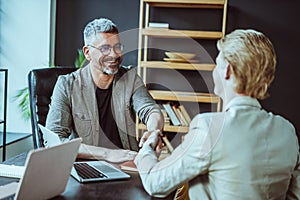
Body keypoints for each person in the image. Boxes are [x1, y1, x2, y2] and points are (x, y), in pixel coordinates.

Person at [134, 29, 300, 199]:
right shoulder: (287, 131)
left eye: (217, 64)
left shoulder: (210, 128)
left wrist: (146, 149)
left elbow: (155, 183)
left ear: (227, 70)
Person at [45, 18, 164, 163]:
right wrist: (107, 154)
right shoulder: (66, 85)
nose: (114, 55)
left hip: (127, 164)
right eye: (105, 49)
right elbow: (54, 142)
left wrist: (153, 131)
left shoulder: (130, 78)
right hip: (86, 166)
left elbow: (151, 110)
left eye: (117, 47)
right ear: (87, 53)